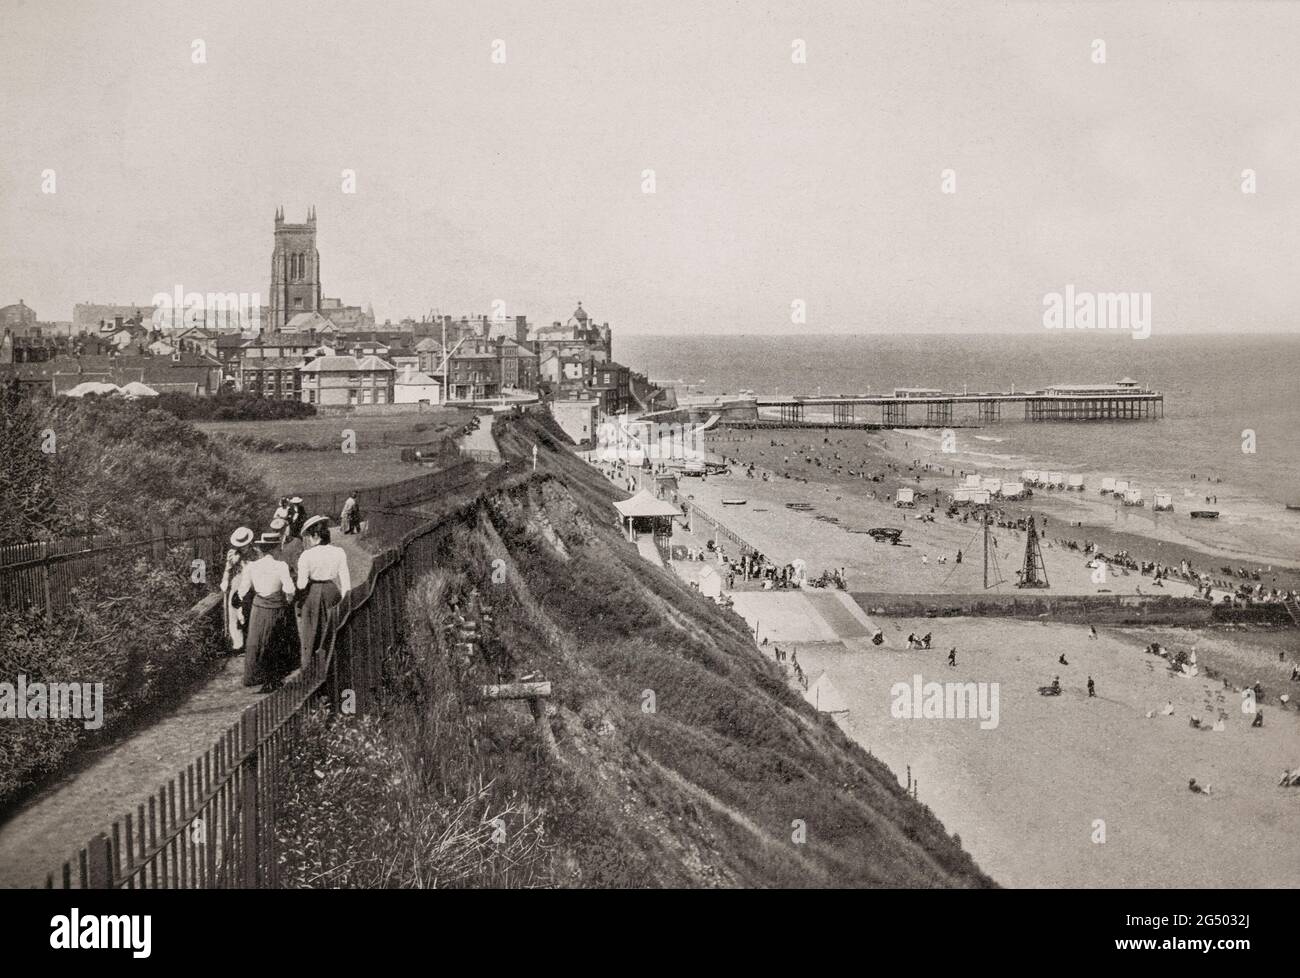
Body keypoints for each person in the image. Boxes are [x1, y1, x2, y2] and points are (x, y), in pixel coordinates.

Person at [235, 530, 298, 693]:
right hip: (276, 608)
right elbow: (290, 589)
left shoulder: (251, 567)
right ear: (276, 548)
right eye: (279, 548)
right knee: (276, 640)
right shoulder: (281, 566)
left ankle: (257, 676)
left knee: (257, 640)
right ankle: (274, 677)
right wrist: (288, 600)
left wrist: (243, 608)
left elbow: (242, 591)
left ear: (263, 549)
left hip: (258, 608)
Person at [295, 515, 351, 671]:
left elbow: (301, 583)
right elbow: (345, 582)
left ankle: (310, 669)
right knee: (331, 629)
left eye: (310, 536)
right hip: (331, 592)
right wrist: (345, 599)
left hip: (312, 594)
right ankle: (333, 665)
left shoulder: (306, 555)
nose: (309, 540)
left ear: (315, 535)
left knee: (311, 632)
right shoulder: (339, 552)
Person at [219, 527, 254, 653]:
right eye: (241, 545)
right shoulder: (233, 554)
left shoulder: (256, 553)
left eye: (245, 545)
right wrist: (225, 581)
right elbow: (227, 569)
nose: (243, 547)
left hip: (251, 586)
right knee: (234, 614)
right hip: (236, 584)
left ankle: (251, 642)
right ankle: (238, 645)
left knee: (248, 614)